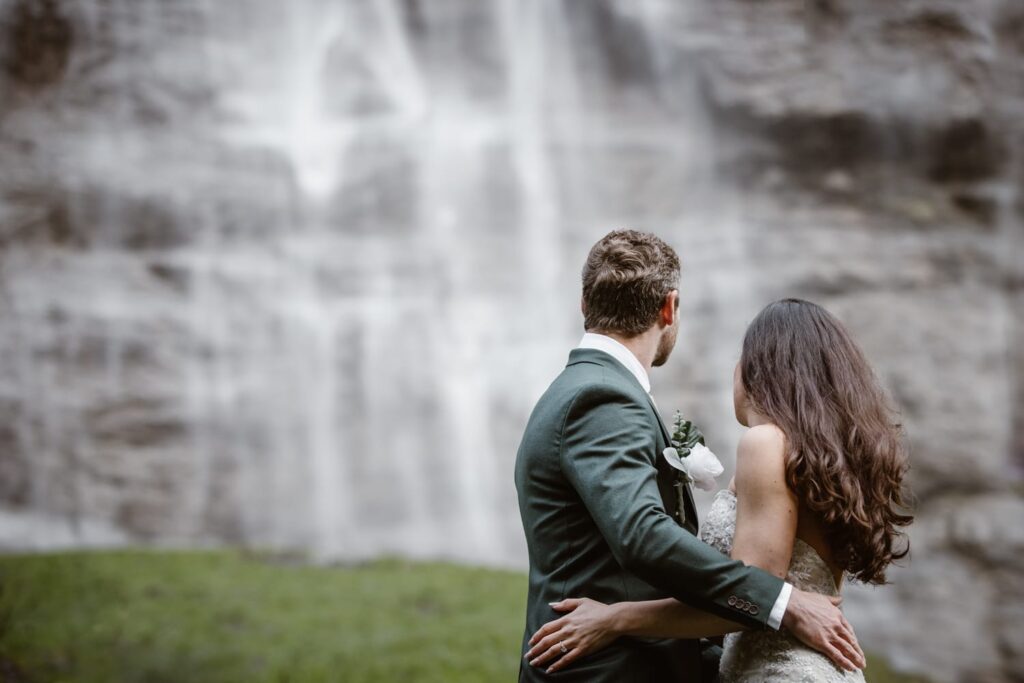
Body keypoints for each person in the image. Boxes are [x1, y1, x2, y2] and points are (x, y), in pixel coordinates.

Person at [514, 231, 866, 682]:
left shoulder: (590, 392)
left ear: (584, 303)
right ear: (669, 307)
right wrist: (779, 600)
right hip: (607, 672)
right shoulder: (601, 398)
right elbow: (641, 534)